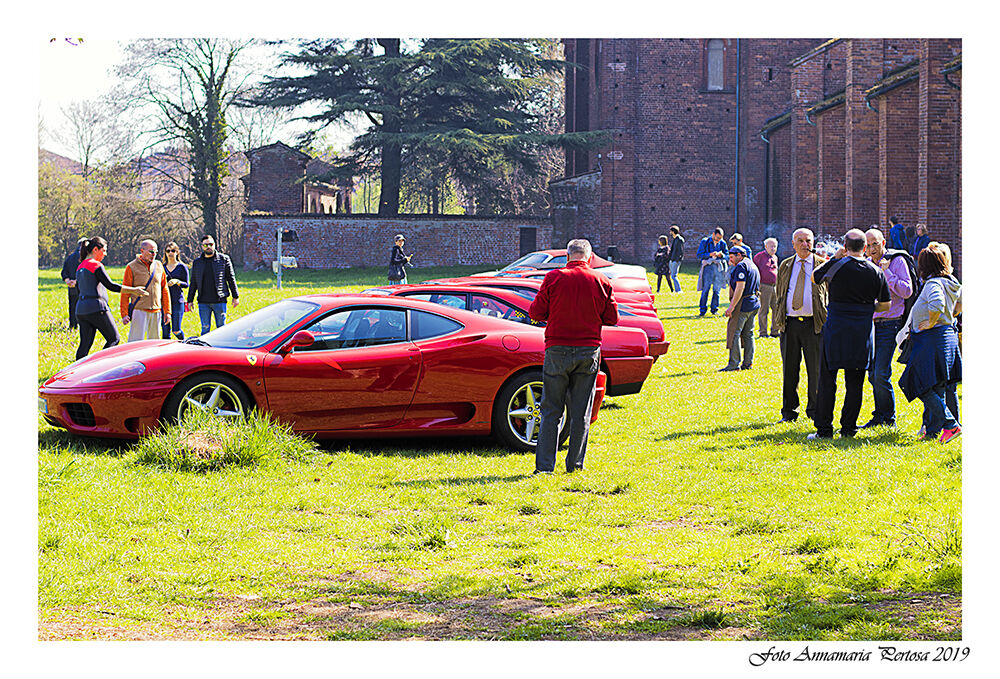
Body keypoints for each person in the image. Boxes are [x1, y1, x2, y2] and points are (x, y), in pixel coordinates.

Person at [528, 239, 618, 474]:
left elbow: (536, 312)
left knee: (551, 410)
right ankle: (575, 465)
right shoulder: (602, 281)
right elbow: (612, 318)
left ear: (567, 257)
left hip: (557, 348)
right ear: (589, 258)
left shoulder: (554, 278)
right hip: (588, 350)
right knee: (581, 412)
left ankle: (545, 467)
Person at [808, 229, 891, 439]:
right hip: (862, 331)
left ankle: (824, 429)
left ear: (845, 246)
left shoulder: (837, 265)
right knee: (855, 383)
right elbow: (886, 304)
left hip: (836, 328)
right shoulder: (876, 271)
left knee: (828, 380)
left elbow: (814, 278)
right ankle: (848, 428)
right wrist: (866, 309)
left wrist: (834, 258)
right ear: (865, 248)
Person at [898, 242, 962, 443]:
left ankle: (950, 425)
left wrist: (931, 321)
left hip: (931, 340)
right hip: (946, 338)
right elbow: (959, 304)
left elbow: (937, 303)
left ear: (925, 266)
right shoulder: (951, 282)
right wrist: (950, 316)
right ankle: (933, 431)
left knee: (915, 382)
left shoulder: (934, 284)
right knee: (938, 386)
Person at [773, 228, 829, 423]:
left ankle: (815, 411)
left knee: (816, 371)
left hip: (814, 326)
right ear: (793, 244)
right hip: (790, 325)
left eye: (808, 241)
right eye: (801, 241)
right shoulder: (786, 265)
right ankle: (789, 412)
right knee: (790, 371)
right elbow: (780, 293)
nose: (805, 244)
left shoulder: (822, 265)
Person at [861, 228, 914, 428]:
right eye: (869, 245)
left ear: (883, 242)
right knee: (872, 373)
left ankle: (888, 418)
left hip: (890, 324)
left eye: (876, 243)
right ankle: (880, 415)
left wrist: (886, 272)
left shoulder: (896, 261)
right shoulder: (865, 265)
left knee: (881, 373)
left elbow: (906, 291)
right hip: (870, 324)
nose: (873, 248)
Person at [74, 237, 149, 360]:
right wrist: (134, 290)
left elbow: (78, 290)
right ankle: (101, 367)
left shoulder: (80, 267)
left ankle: (76, 372)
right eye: (104, 250)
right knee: (114, 339)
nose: (105, 254)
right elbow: (111, 286)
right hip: (97, 308)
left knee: (84, 345)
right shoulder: (95, 265)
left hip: (81, 310)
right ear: (95, 249)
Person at [186, 234, 240, 335]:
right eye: (206, 245)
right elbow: (193, 282)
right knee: (205, 329)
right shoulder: (197, 262)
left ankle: (222, 349)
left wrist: (235, 296)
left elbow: (231, 278)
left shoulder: (224, 259)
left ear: (215, 245)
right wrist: (190, 300)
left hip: (219, 300)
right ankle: (206, 350)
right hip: (203, 302)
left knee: (221, 329)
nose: (209, 247)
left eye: (211, 244)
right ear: (202, 246)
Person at [121, 239, 170, 342]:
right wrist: (124, 314)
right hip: (139, 310)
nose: (154, 255)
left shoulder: (159, 265)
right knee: (135, 343)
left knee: (154, 344)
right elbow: (125, 292)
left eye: (156, 252)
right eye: (151, 252)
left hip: (156, 310)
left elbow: (164, 289)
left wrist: (167, 311)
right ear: (142, 251)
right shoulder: (131, 266)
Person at [721, 245, 760, 371]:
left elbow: (740, 287)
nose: (730, 260)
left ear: (739, 255)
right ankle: (748, 363)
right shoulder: (752, 264)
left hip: (743, 304)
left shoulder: (741, 266)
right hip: (753, 302)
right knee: (749, 334)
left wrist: (731, 307)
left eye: (732, 257)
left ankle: (734, 364)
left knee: (734, 333)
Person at [696, 227, 728, 316]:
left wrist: (722, 255)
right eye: (717, 238)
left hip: (718, 268)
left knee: (717, 290)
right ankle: (702, 310)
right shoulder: (704, 241)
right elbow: (699, 255)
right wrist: (709, 254)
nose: (718, 240)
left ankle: (714, 309)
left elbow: (728, 256)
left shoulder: (722, 243)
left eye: (720, 239)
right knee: (706, 289)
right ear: (713, 234)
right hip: (708, 268)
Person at [161, 241, 190, 340]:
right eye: (168, 251)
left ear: (177, 252)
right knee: (165, 331)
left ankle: (184, 342)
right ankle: (166, 352)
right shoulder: (162, 267)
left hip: (178, 301)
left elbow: (186, 284)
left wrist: (177, 281)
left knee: (176, 330)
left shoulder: (182, 267)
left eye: (173, 251)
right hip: (164, 301)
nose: (170, 253)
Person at [753, 237, 779, 338]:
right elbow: (754, 271)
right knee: (764, 310)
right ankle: (763, 332)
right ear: (765, 247)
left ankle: (775, 331)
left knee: (776, 309)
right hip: (764, 286)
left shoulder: (775, 257)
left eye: (775, 246)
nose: (773, 248)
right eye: (771, 246)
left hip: (774, 286)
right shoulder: (759, 257)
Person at [60, 237, 87, 329]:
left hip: (71, 286)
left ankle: (73, 326)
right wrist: (77, 281)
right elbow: (85, 271)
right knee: (83, 307)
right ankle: (83, 325)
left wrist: (68, 280)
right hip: (83, 287)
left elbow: (64, 271)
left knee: (72, 306)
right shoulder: (85, 257)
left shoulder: (70, 257)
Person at [667, 225, 684, 292]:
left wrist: (677, 259)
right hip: (672, 259)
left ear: (673, 232)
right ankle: (676, 289)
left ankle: (679, 290)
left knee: (674, 276)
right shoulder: (675, 239)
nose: (670, 233)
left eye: (671, 231)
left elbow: (680, 251)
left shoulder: (679, 240)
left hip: (675, 260)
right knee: (672, 276)